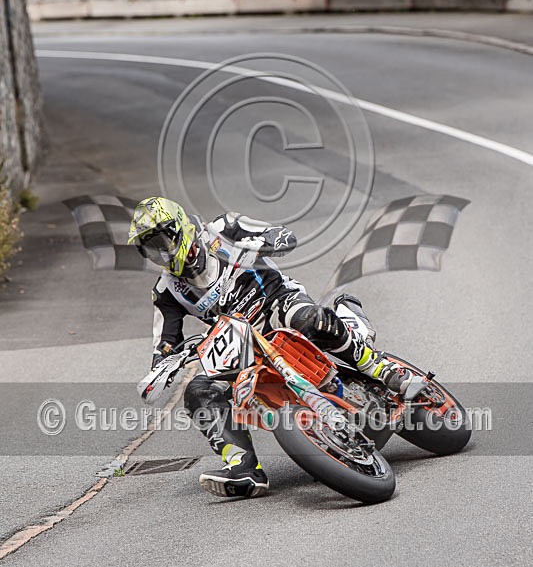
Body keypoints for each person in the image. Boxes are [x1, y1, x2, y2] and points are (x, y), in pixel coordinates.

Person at [129, 198, 414, 499]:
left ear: (180, 230)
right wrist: (162, 367)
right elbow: (164, 346)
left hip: (278, 304)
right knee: (199, 390)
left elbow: (273, 233)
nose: (161, 254)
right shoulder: (166, 290)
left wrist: (272, 239)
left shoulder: (224, 228)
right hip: (241, 342)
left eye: (162, 242)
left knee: (307, 318)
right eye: (151, 249)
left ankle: (379, 367)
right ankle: (242, 466)